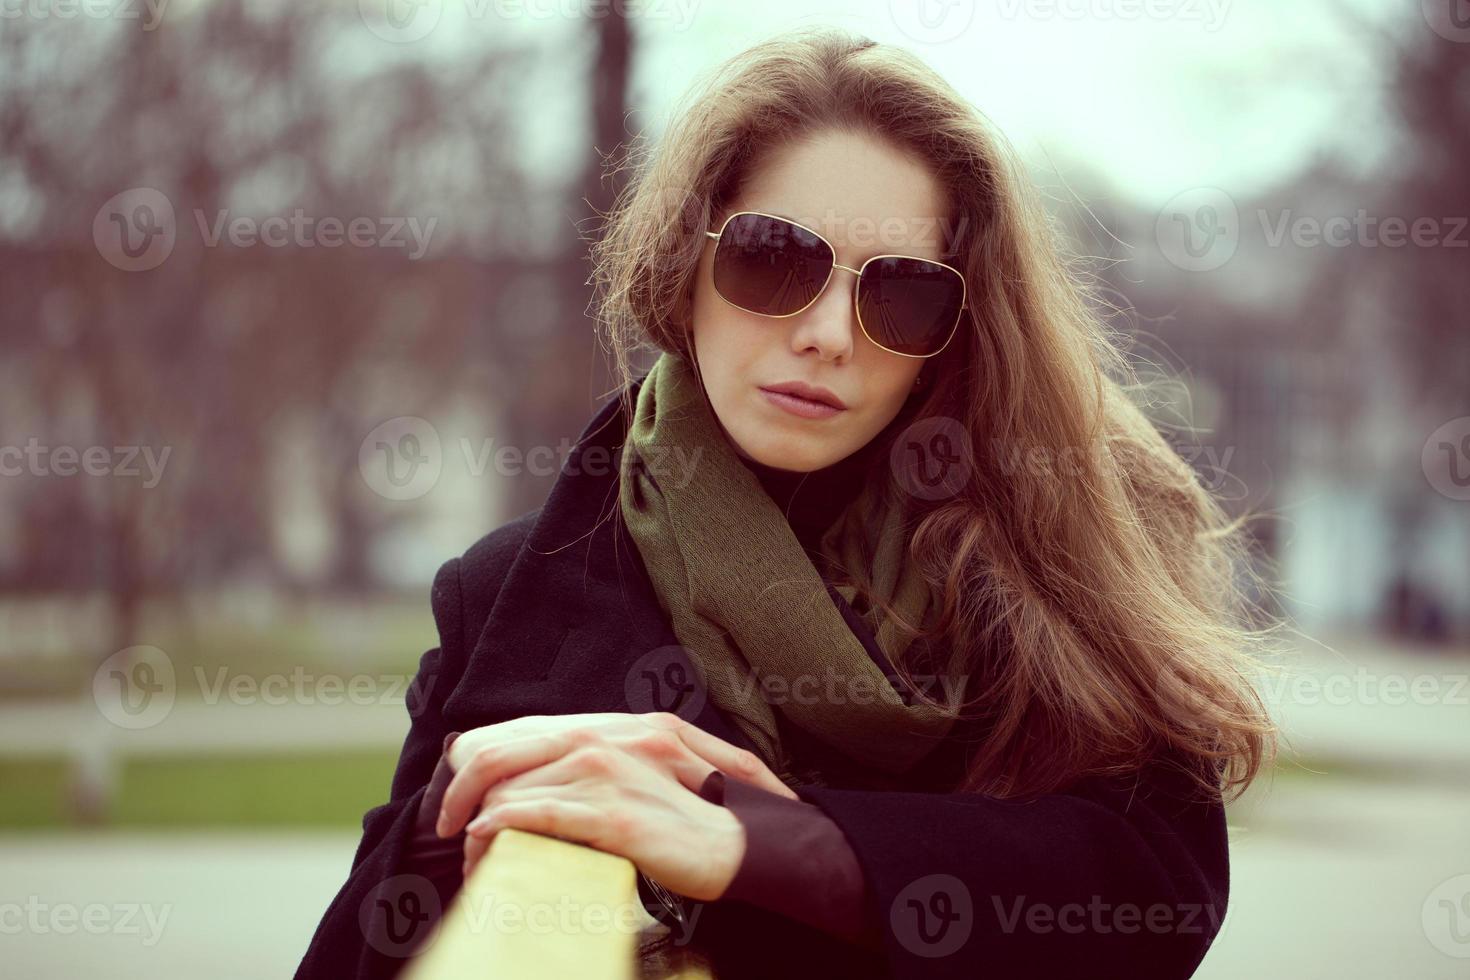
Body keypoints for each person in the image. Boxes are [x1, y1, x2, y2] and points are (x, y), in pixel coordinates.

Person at [295, 26, 1280, 980]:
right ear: (687, 266)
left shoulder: (1037, 559)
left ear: (958, 328)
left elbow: (1155, 891)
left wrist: (766, 842)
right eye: (773, 256)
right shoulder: (508, 589)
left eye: (900, 293)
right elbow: (355, 950)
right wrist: (458, 814)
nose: (826, 333)